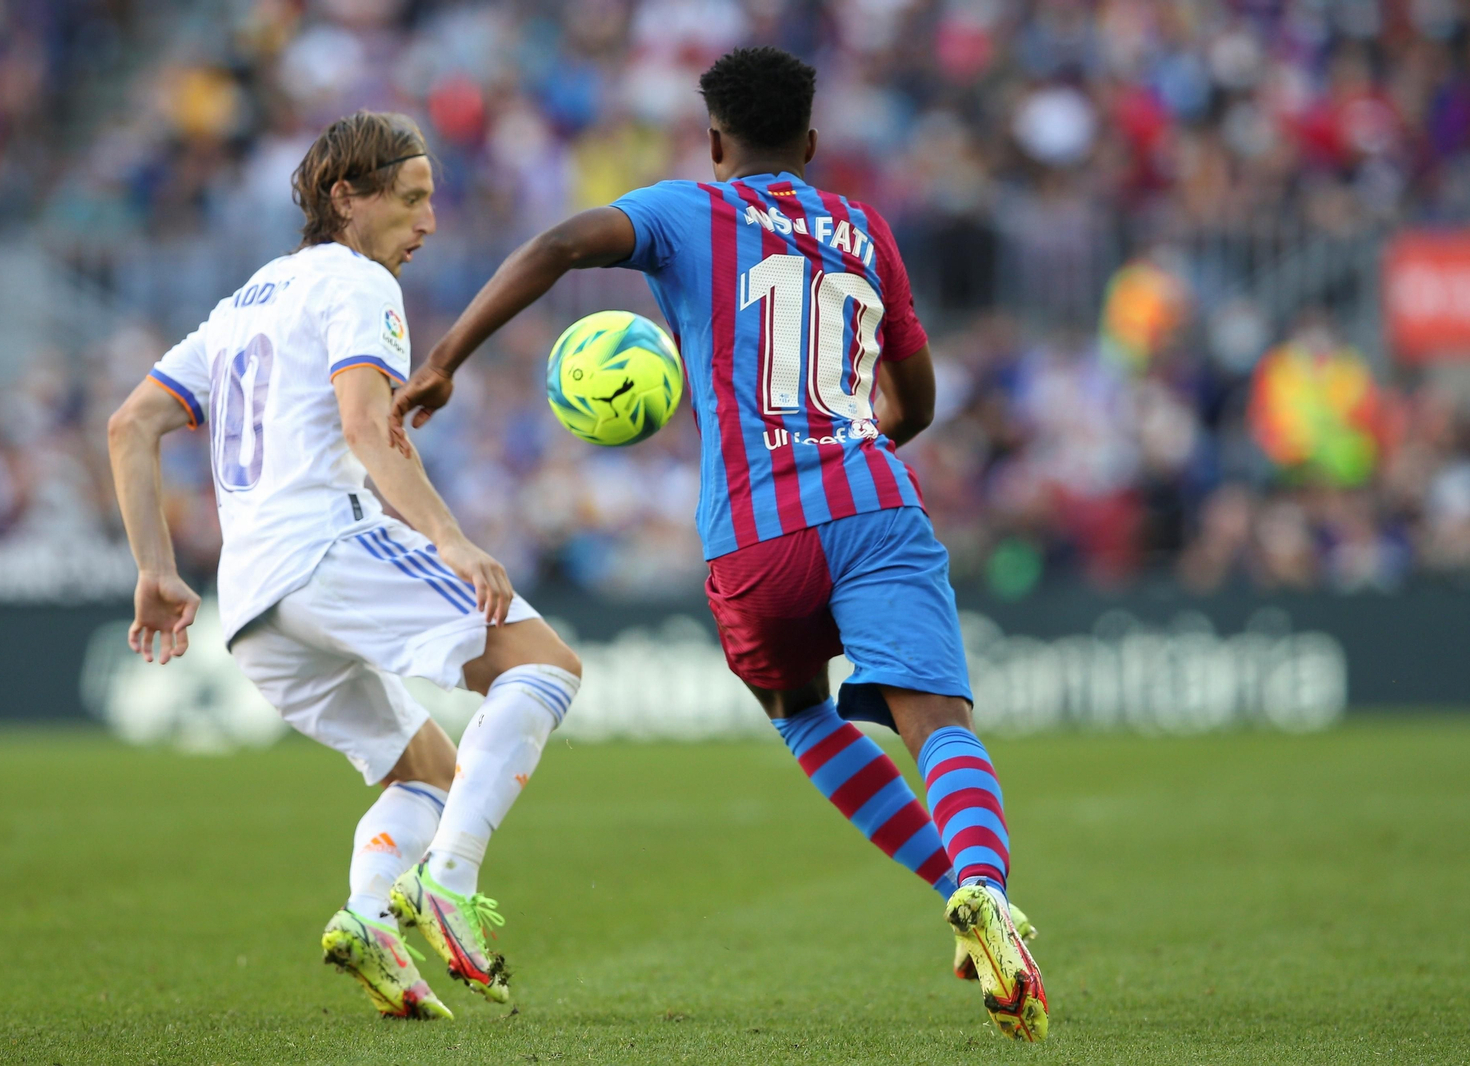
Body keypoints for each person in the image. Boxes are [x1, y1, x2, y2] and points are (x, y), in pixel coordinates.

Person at [388, 49, 1048, 1041]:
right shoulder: (864, 228)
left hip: (751, 532)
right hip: (873, 503)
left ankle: (952, 885)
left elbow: (563, 242)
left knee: (799, 714)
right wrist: (853, 448)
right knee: (936, 718)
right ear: (813, 143)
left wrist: (443, 359)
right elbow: (916, 398)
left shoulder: (688, 210)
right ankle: (984, 890)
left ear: (712, 141)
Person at [106, 111, 581, 1017]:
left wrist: (155, 569)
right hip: (326, 547)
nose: (428, 221)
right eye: (410, 200)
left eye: (431, 201)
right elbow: (367, 427)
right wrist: (451, 537)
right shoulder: (357, 284)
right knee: (546, 669)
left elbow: (131, 425)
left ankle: (369, 917)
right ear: (346, 198)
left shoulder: (245, 301)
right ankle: (449, 883)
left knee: (429, 771)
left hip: (254, 608)